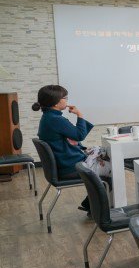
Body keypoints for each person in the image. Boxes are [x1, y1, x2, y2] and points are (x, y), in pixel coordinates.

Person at [33, 85, 110, 213]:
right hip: (70, 167)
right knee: (112, 171)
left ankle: (90, 205)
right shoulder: (55, 119)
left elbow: (70, 139)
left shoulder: (48, 117)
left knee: (104, 161)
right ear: (56, 102)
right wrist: (80, 115)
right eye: (65, 98)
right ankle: (99, 211)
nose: (67, 100)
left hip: (64, 164)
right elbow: (79, 134)